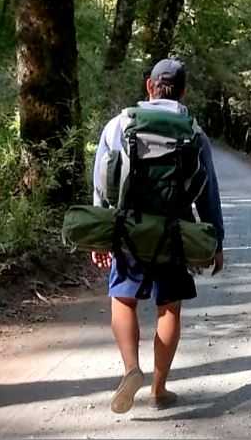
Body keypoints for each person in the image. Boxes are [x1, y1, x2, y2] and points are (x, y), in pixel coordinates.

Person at [90, 57, 225, 413]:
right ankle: (159, 390)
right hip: (173, 231)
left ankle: (131, 369)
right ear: (183, 91)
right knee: (169, 307)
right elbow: (207, 192)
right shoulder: (193, 132)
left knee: (123, 299)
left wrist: (102, 234)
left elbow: (101, 181)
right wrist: (217, 241)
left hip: (127, 227)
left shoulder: (119, 124)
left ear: (149, 86)